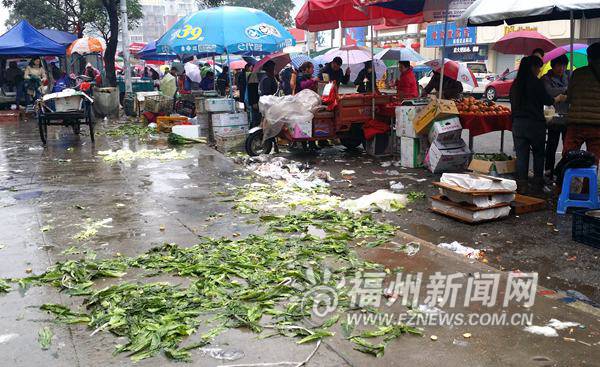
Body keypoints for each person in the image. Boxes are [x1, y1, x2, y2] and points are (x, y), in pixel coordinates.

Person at [510, 56, 567, 193]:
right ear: (532, 67)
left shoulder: (516, 84)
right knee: (538, 154)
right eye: (538, 68)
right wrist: (557, 98)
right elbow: (547, 100)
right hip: (535, 124)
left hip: (518, 124)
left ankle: (522, 185)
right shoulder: (535, 83)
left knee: (522, 155)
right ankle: (537, 185)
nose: (539, 70)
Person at [562, 42, 600, 165]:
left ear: (589, 57)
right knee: (593, 161)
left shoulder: (578, 73)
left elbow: (569, 96)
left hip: (576, 124)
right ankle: (589, 184)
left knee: (568, 157)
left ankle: (565, 183)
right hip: (597, 126)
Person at [541, 54, 570, 177]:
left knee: (567, 146)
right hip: (552, 117)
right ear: (553, 66)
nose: (562, 68)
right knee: (552, 145)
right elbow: (549, 91)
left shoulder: (568, 77)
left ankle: (564, 171)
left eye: (564, 66)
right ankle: (549, 170)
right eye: (559, 65)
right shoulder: (546, 78)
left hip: (567, 116)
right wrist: (566, 89)